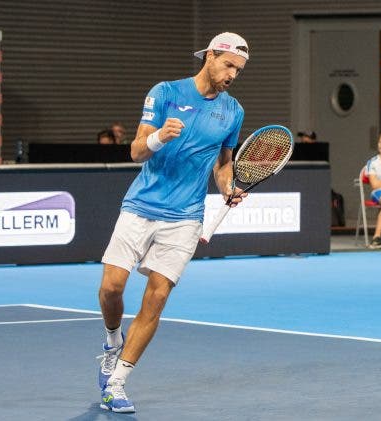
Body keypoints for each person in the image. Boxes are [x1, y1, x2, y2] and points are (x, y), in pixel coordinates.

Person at [96, 32, 250, 413]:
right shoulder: (165, 92)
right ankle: (112, 341)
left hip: (185, 218)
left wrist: (228, 187)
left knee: (158, 295)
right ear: (210, 56)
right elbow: (135, 151)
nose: (232, 74)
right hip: (140, 206)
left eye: (239, 70)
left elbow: (223, 163)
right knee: (111, 288)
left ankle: (117, 382)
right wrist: (160, 138)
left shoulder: (233, 111)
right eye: (228, 65)